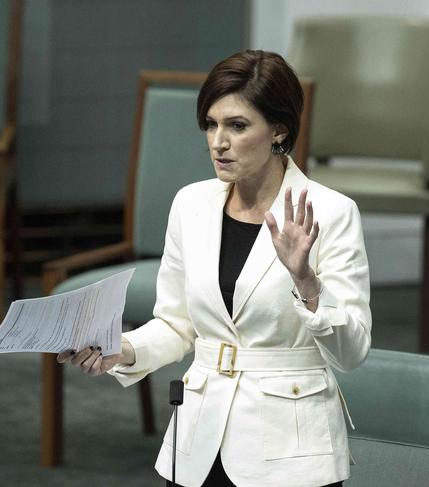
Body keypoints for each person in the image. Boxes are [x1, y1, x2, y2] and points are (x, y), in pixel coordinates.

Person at [57, 50, 371, 487]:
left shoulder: (332, 213)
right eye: (211, 124)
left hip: (291, 452)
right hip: (199, 439)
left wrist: (307, 282)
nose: (217, 141)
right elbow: (176, 323)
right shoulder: (191, 203)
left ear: (279, 130)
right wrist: (122, 351)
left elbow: (352, 353)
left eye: (237, 126)